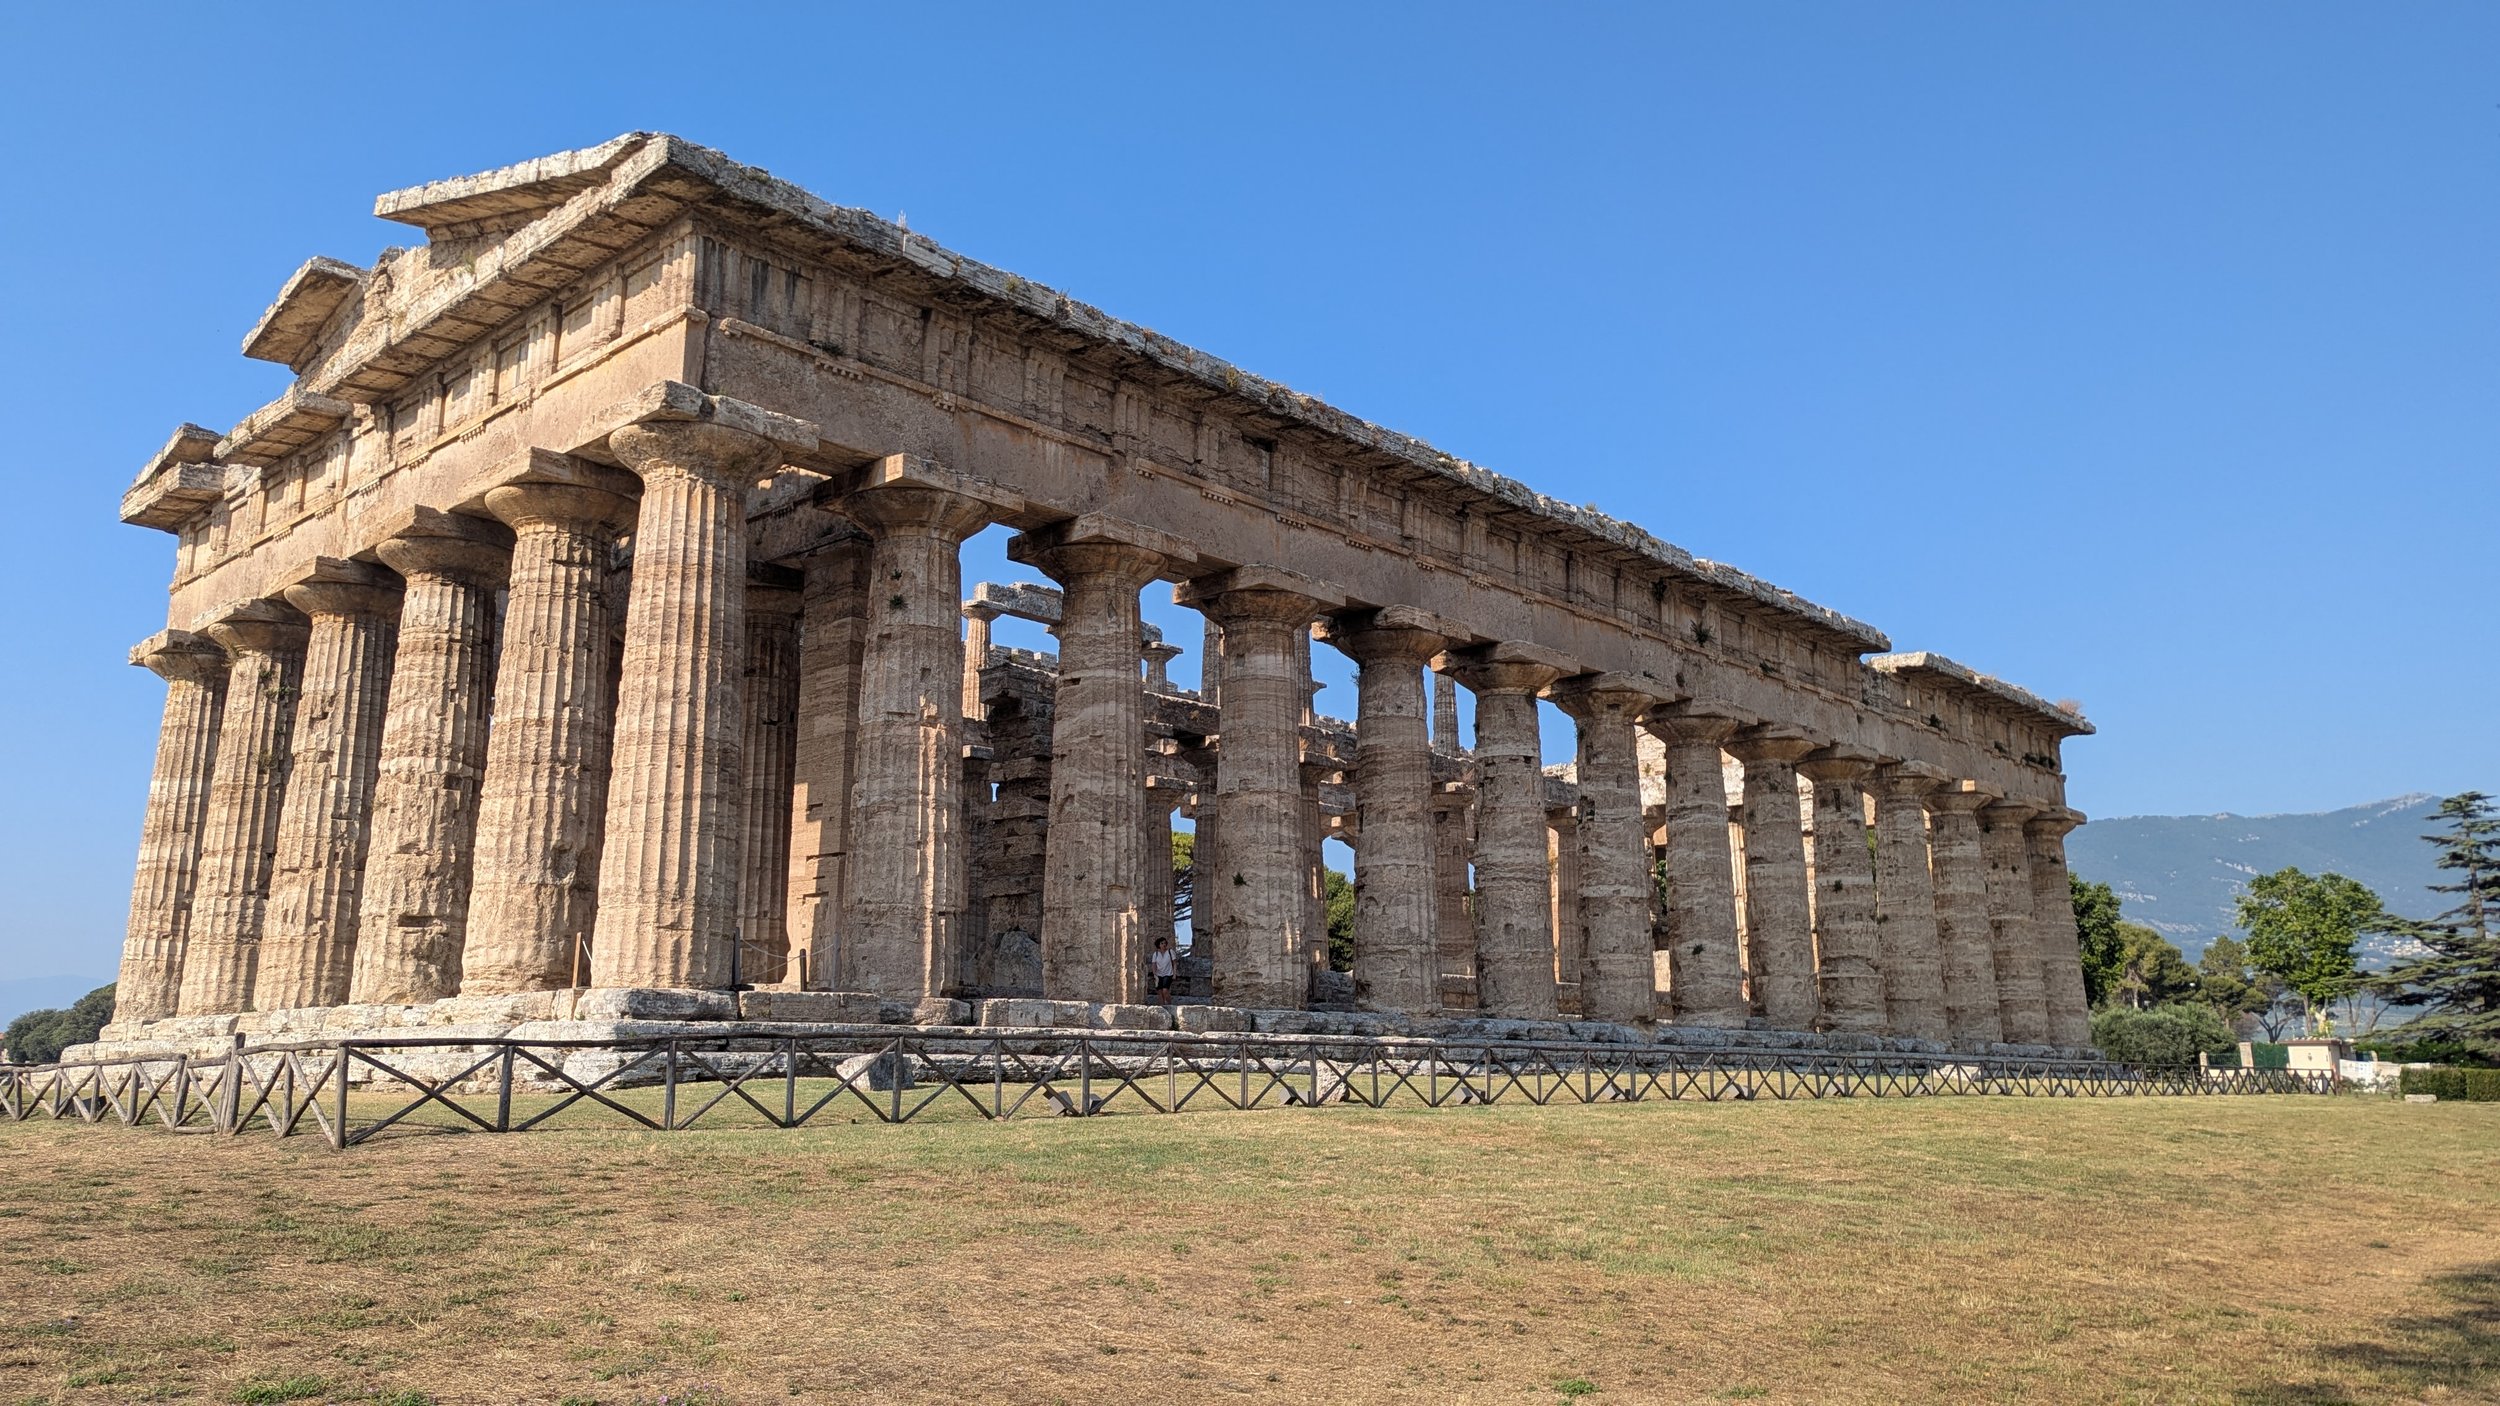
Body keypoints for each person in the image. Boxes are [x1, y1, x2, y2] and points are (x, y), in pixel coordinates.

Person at [1149, 935, 1179, 1005]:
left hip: (1168, 974)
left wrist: (1174, 974)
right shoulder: (1155, 954)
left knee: (1165, 990)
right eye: (1162, 943)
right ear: (1159, 945)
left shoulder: (1170, 952)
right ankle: (1162, 1007)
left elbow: (1174, 963)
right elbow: (1154, 965)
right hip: (1159, 974)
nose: (1164, 945)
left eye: (1165, 943)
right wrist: (1155, 975)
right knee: (1160, 992)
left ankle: (1169, 1004)